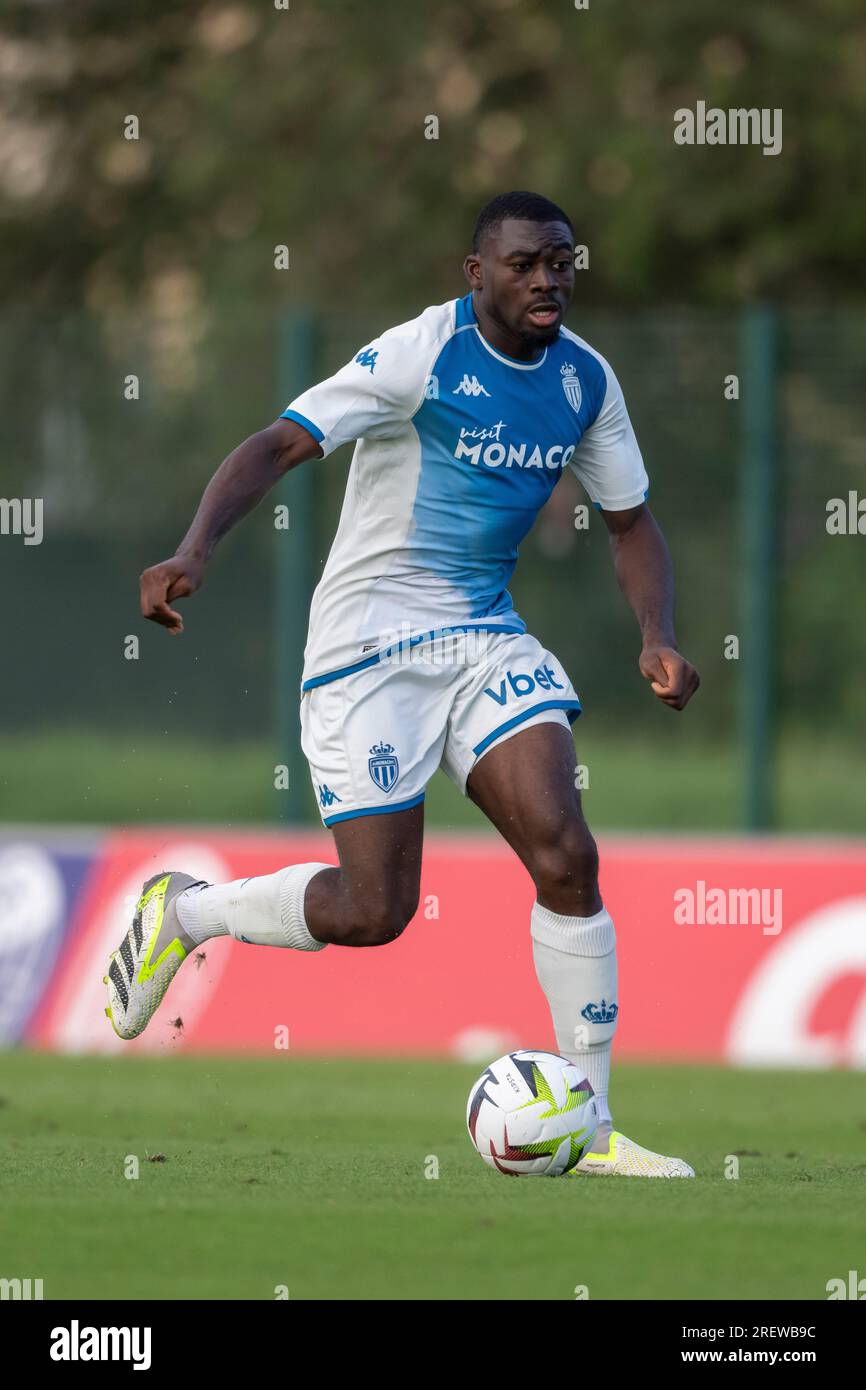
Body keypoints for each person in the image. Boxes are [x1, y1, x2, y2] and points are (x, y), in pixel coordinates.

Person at [107, 190, 700, 1177]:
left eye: (560, 261)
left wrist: (657, 635)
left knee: (564, 851)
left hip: (481, 638)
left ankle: (589, 1119)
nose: (547, 278)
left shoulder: (584, 382)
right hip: (366, 646)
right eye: (523, 263)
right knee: (373, 909)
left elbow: (629, 522)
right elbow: (280, 443)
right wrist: (192, 550)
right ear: (475, 275)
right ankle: (187, 911)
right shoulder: (420, 355)